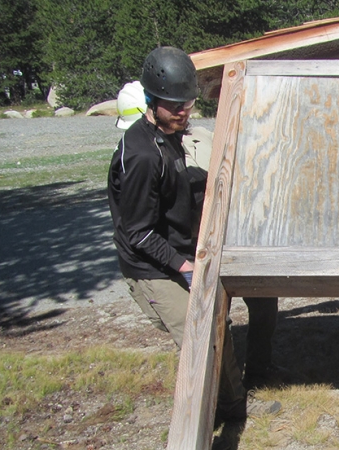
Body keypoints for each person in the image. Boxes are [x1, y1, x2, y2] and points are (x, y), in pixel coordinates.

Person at [107, 47, 280, 423]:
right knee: (199, 333)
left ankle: (231, 406)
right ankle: (220, 413)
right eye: (174, 106)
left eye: (188, 103)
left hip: (180, 251)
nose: (183, 112)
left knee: (217, 329)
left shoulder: (170, 134)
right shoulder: (141, 156)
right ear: (151, 101)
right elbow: (136, 232)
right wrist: (183, 265)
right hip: (151, 267)